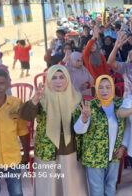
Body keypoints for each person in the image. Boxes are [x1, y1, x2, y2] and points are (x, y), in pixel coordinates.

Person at [19, 65, 88, 196]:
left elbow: (83, 127)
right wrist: (35, 99)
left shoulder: (78, 98)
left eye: (62, 77)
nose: (58, 81)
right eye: (54, 78)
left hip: (70, 149)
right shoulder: (41, 98)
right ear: (48, 80)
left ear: (67, 79)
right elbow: (25, 116)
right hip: (46, 150)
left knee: (71, 184)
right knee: (48, 187)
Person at [73, 75, 125, 196]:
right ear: (96, 89)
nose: (104, 91)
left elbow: (127, 128)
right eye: (101, 87)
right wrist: (84, 119)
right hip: (94, 156)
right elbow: (78, 130)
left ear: (113, 88)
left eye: (108, 87)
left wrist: (123, 147)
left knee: (111, 186)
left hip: (115, 154)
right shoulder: (90, 106)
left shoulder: (119, 104)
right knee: (97, 190)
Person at [0, 69, 29, 196]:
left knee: (16, 192)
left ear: (7, 84)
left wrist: (26, 153)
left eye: (1, 83)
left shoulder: (16, 104)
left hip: (12, 158)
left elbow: (22, 130)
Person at [108, 33, 132, 98]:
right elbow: (110, 62)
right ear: (131, 57)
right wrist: (116, 48)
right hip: (129, 101)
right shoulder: (126, 66)